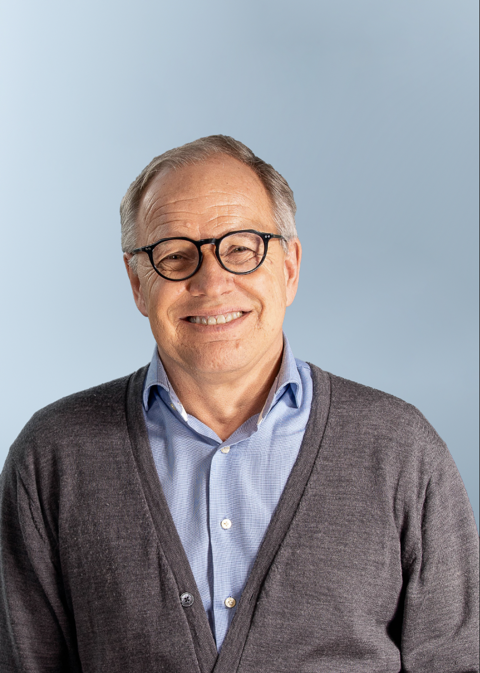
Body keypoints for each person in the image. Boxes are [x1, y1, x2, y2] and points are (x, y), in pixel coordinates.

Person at [0, 135, 478, 673]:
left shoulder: (401, 449)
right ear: (137, 283)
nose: (212, 281)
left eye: (242, 249)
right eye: (175, 255)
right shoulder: (52, 456)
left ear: (289, 268)